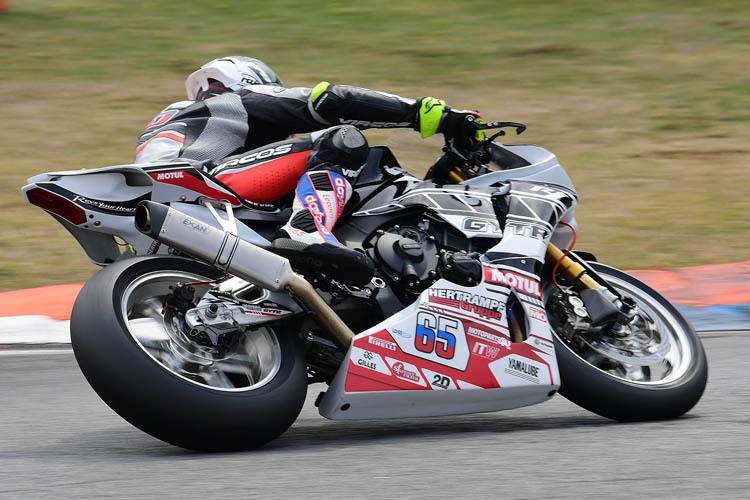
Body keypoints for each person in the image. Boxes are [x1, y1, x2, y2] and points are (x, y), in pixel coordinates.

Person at [135, 56, 483, 284]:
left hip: (168, 217)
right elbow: (327, 101)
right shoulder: (233, 100)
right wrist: (425, 113)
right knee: (341, 139)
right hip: (206, 187)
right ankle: (309, 230)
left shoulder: (184, 123)